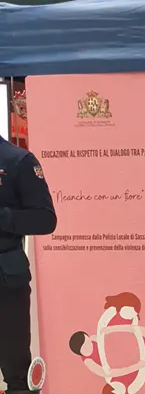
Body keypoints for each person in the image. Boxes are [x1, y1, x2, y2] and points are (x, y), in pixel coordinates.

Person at [0, 134, 57, 394]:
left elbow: (45, 219)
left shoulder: (18, 160)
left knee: (17, 376)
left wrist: (5, 218)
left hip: (6, 282)